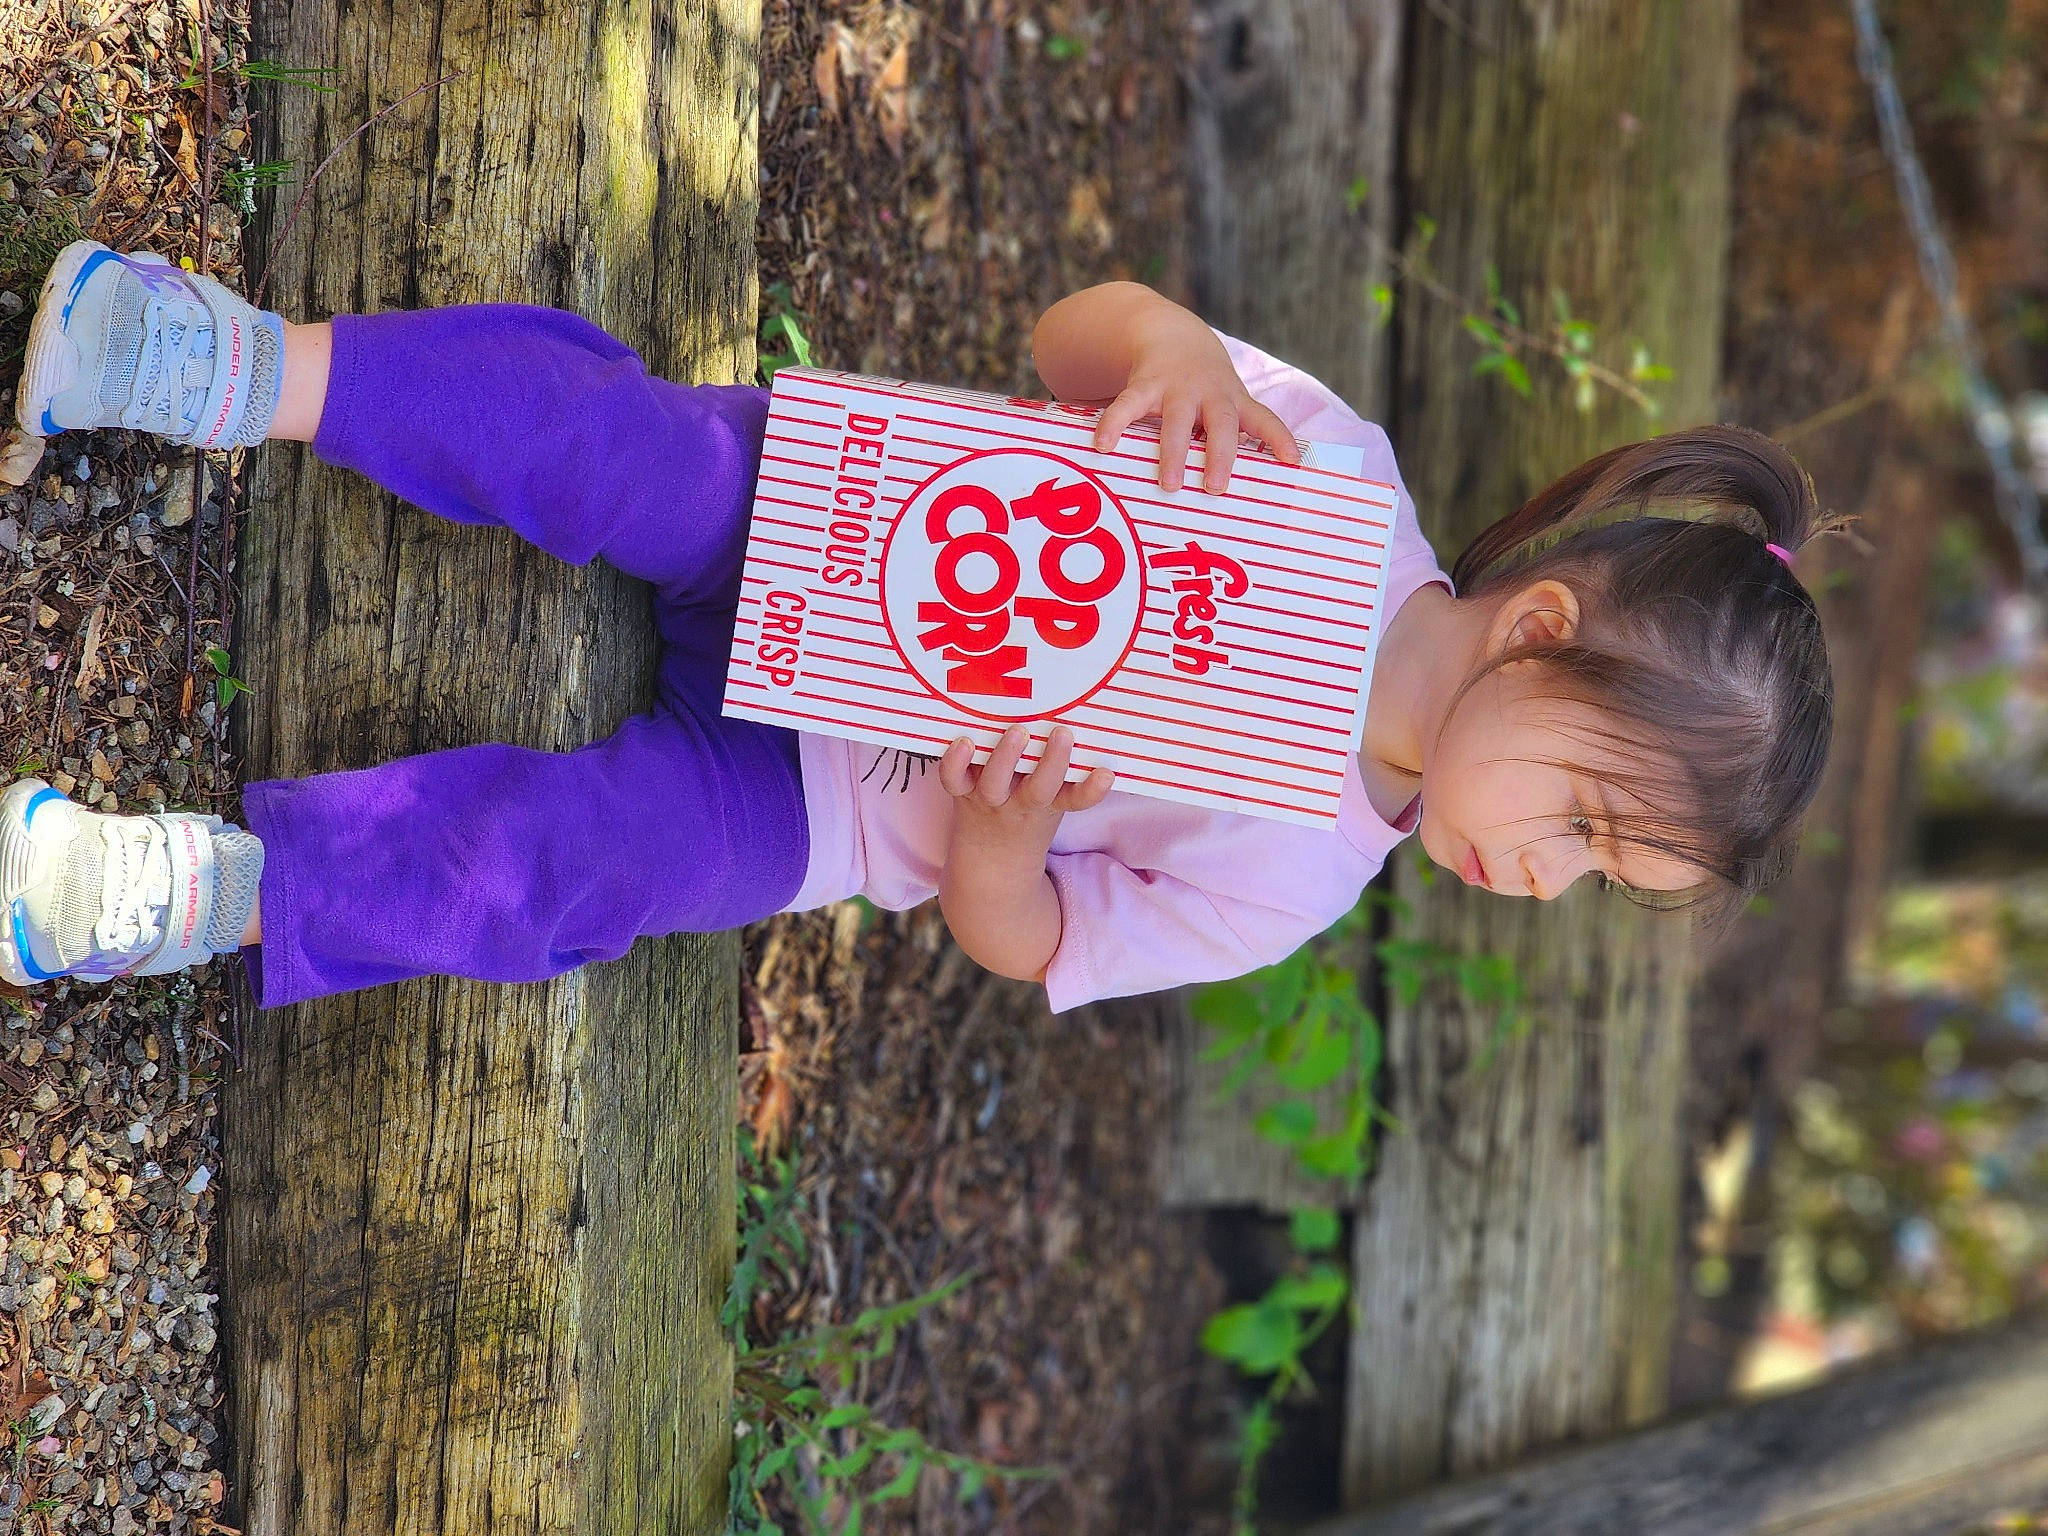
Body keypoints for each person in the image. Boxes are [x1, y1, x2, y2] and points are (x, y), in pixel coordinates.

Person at [1, 242, 1840, 1009]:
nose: (1550, 877)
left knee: (565, 874)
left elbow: (1021, 939)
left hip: (825, 805)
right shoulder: (1325, 477)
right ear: (1539, 628)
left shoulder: (1299, 889)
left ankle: (200, 893)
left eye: (1599, 878)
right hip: (833, 517)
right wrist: (1176, 355)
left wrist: (1004, 841)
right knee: (596, 437)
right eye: (1591, 822)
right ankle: (228, 362)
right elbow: (1075, 339)